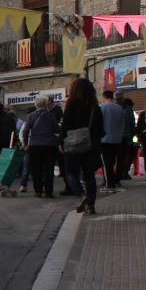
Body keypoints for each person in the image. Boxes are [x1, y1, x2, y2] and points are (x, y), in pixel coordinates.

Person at [61, 77, 105, 215]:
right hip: (92, 145)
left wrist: (61, 141)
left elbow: (66, 124)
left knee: (70, 173)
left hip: (74, 145)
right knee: (89, 175)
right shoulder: (95, 106)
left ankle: (81, 195)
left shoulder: (72, 103)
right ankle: (91, 205)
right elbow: (101, 129)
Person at [22, 95, 60, 198]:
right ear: (46, 104)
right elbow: (57, 130)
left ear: (36, 104)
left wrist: (25, 144)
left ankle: (38, 191)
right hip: (49, 146)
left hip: (35, 145)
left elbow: (25, 131)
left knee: (36, 169)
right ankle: (48, 192)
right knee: (48, 169)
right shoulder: (50, 116)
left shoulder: (31, 116)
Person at [99, 90, 125, 191]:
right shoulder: (119, 108)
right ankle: (111, 181)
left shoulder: (102, 107)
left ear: (104, 96)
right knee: (112, 161)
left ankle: (109, 184)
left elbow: (99, 123)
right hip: (117, 139)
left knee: (106, 163)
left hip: (105, 139)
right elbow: (122, 123)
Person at [47, 97, 74, 195]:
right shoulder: (65, 112)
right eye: (64, 102)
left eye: (66, 102)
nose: (64, 103)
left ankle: (72, 188)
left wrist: (60, 143)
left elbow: (62, 129)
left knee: (67, 167)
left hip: (67, 143)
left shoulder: (65, 113)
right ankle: (70, 187)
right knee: (64, 167)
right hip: (63, 142)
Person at [119, 97, 136, 181]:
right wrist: (132, 136)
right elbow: (132, 125)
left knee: (121, 156)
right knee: (129, 155)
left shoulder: (120, 110)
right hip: (127, 137)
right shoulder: (129, 111)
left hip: (119, 137)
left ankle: (120, 173)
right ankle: (125, 173)